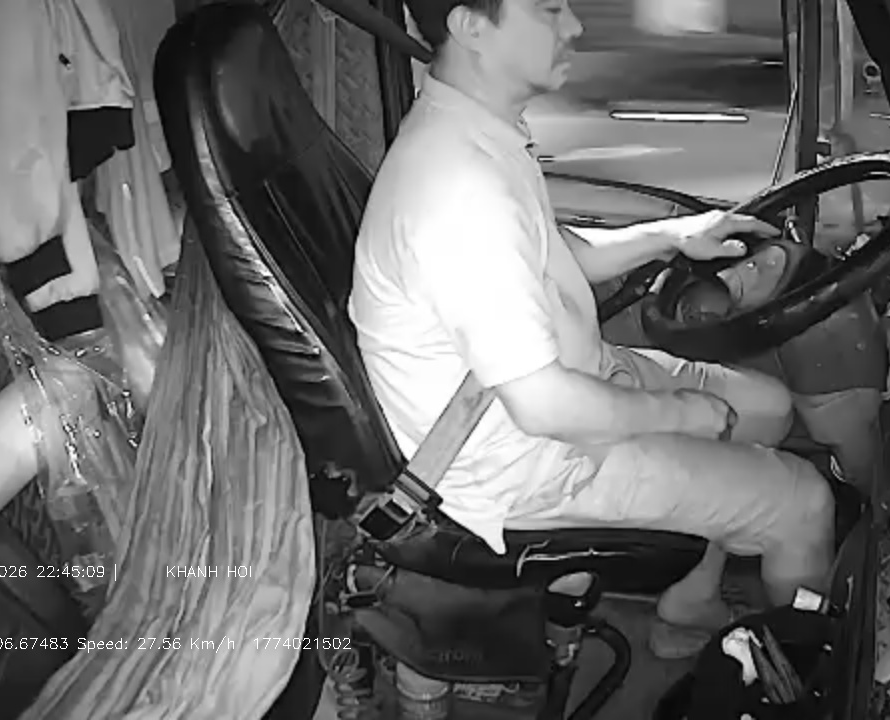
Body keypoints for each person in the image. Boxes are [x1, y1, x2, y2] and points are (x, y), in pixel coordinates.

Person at [347, 0, 835, 658]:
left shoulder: (474, 128)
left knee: (768, 408)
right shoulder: (460, 189)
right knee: (805, 504)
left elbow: (556, 254)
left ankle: (691, 601)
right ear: (470, 26)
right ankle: (799, 670)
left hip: (565, 381)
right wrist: (681, 413)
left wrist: (674, 234)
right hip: (534, 456)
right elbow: (544, 405)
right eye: (549, 8)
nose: (574, 25)